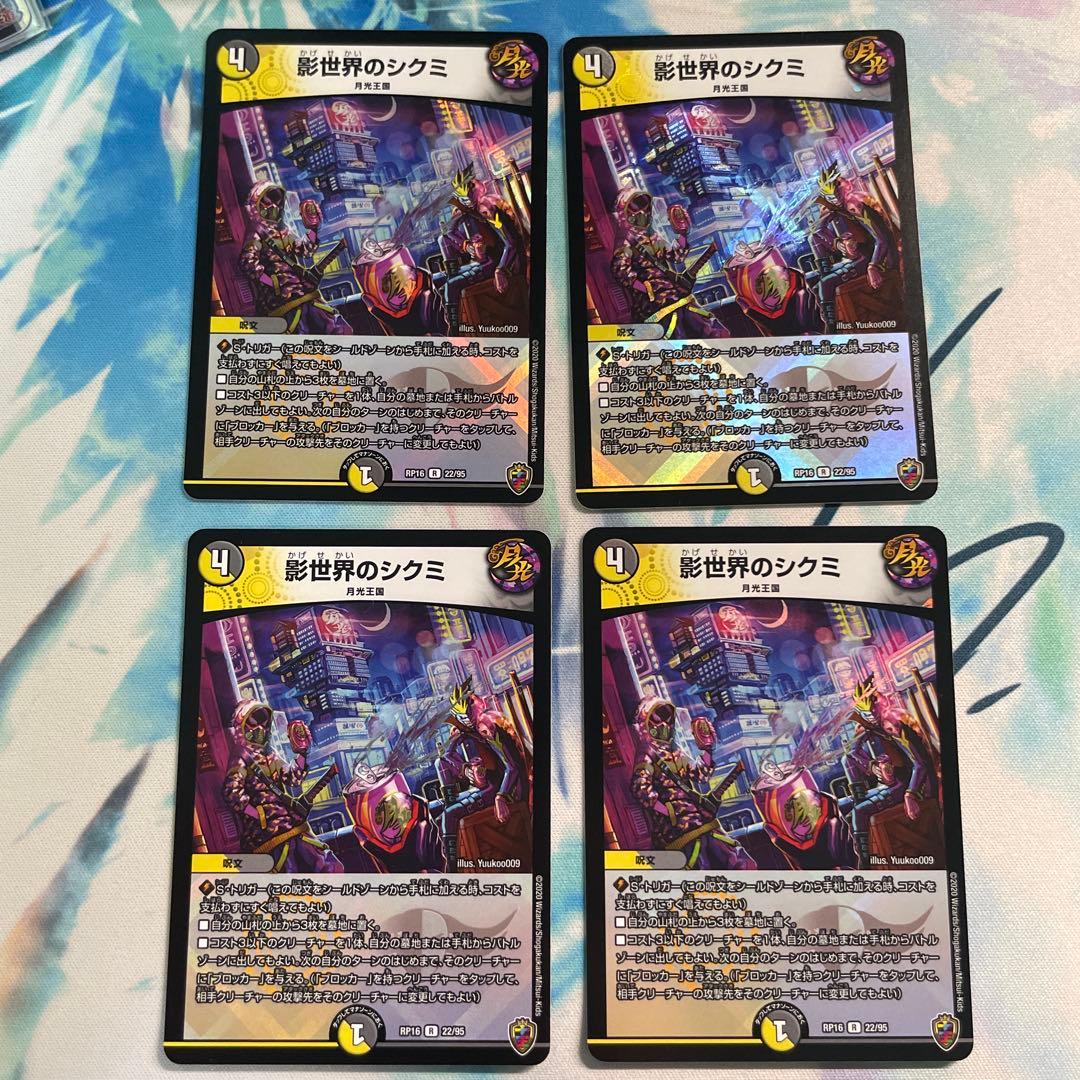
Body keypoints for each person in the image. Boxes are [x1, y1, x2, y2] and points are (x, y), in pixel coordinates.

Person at [630, 697, 755, 870]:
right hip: (677, 833)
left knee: (741, 863)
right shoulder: (647, 754)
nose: (664, 726)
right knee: (701, 873)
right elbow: (640, 789)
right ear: (646, 722)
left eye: (668, 720)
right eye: (657, 720)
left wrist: (707, 750)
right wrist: (670, 812)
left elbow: (700, 774)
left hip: (702, 822)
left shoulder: (675, 751)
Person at [221, 699, 342, 873]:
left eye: (263, 724)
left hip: (292, 824)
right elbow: (232, 793)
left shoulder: (269, 753)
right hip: (266, 835)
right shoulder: (240, 757)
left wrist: (301, 753)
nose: (260, 729)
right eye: (253, 724)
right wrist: (259, 815)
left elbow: (291, 777)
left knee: (327, 865)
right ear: (242, 725)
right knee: (287, 874)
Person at [237, 181, 349, 334]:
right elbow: (247, 264)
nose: (274, 208)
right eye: (267, 203)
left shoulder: (284, 230)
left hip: (306, 293)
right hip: (281, 303)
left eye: (277, 203)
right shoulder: (256, 233)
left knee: (338, 329)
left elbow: (305, 250)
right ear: (256, 205)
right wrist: (273, 283)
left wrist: (313, 229)